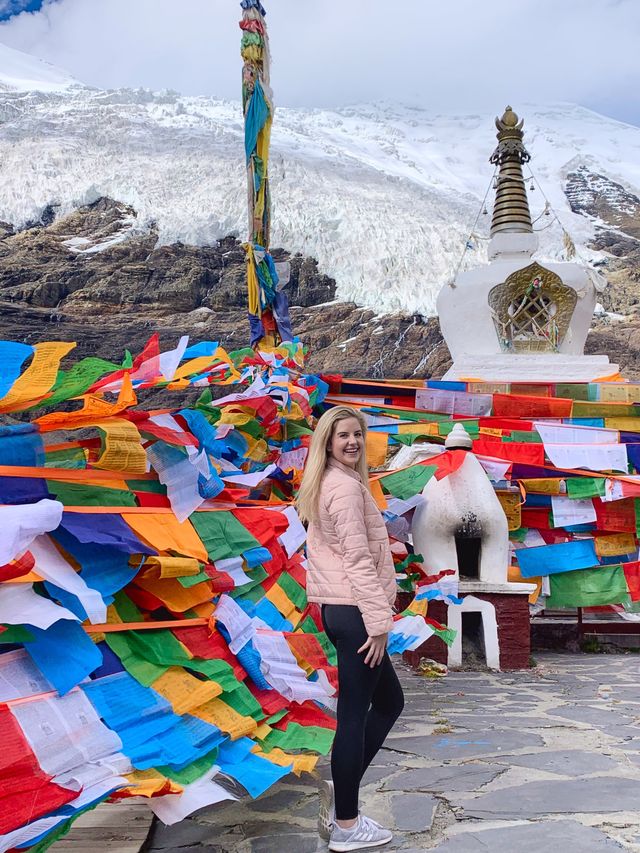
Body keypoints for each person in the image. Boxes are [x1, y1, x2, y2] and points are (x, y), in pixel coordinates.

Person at [297, 405, 405, 851]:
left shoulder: (334, 482)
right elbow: (357, 560)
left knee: (389, 702)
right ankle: (346, 824)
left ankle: (342, 799)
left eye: (357, 434)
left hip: (343, 606)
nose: (352, 442)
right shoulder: (343, 489)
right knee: (353, 718)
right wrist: (378, 624)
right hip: (356, 610)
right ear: (327, 441)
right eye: (342, 435)